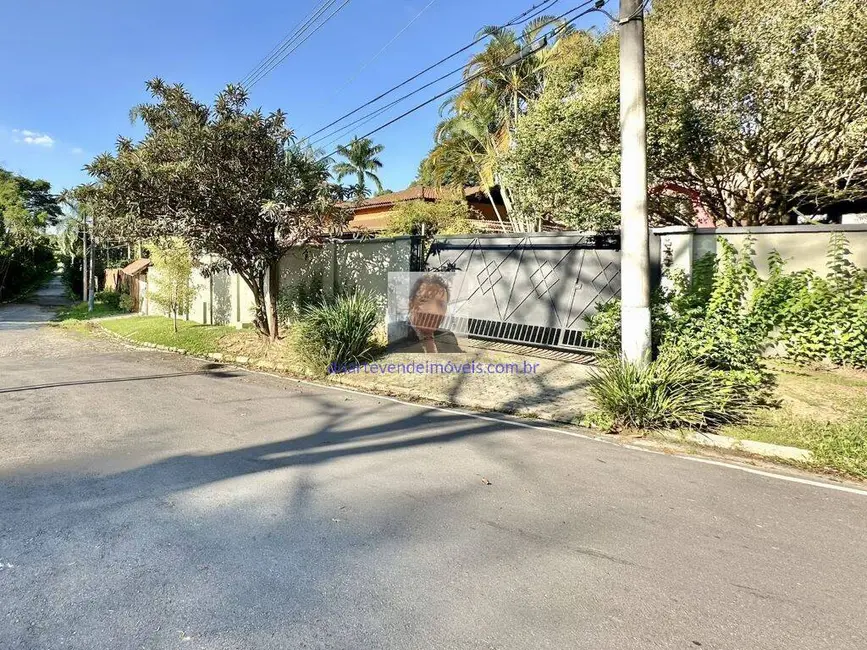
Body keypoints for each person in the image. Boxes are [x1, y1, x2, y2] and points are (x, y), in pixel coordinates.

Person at [391, 273, 462, 354]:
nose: (434, 311)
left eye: (441, 305)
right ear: (411, 304)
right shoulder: (392, 335)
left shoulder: (448, 338)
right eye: (424, 301)